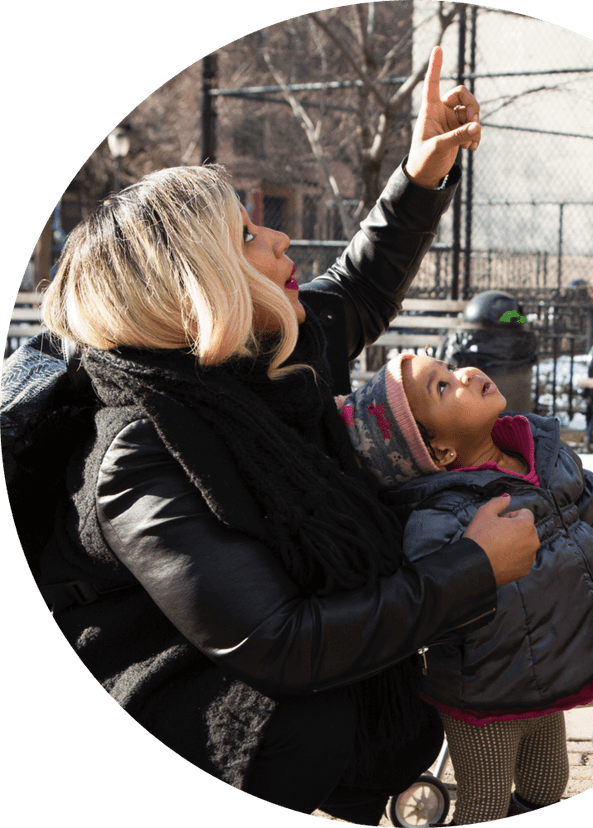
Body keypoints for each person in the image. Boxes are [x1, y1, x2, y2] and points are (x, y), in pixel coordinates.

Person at [11, 47, 541, 824]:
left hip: (224, 653)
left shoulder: (261, 360)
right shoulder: (138, 447)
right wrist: (470, 570)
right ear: (197, 286)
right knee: (306, 722)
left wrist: (423, 168)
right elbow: (281, 643)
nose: (281, 241)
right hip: (142, 697)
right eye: (248, 236)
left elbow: (360, 288)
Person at [336, 354, 593, 824]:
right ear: (440, 452)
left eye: (448, 366)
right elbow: (435, 598)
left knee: (548, 783)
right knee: (483, 803)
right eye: (442, 388)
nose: (463, 375)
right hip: (485, 690)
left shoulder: (541, 457)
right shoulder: (440, 516)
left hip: (553, 672)